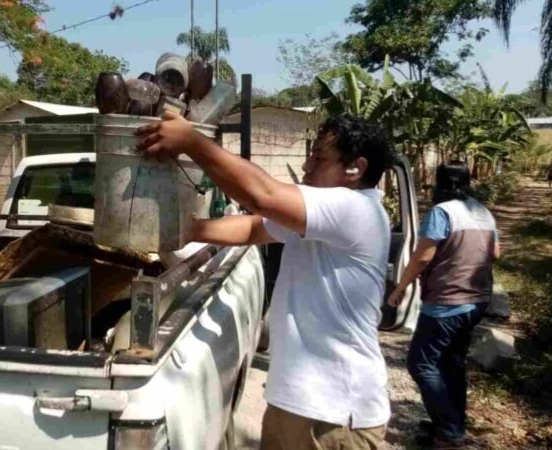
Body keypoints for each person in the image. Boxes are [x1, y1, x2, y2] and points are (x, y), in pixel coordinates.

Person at [137, 113, 395, 450]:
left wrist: (192, 142)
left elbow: (263, 196)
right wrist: (182, 230)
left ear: (355, 169)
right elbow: (254, 227)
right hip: (297, 404)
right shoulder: (319, 218)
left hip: (332, 416)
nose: (305, 166)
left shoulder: (357, 209)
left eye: (318, 158)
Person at [387, 161, 500, 449]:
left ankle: (449, 433)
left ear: (440, 183)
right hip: (477, 301)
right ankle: (450, 424)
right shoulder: (482, 211)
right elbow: (495, 253)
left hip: (447, 301)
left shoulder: (442, 212)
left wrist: (401, 286)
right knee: (451, 363)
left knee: (421, 363)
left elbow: (424, 256)